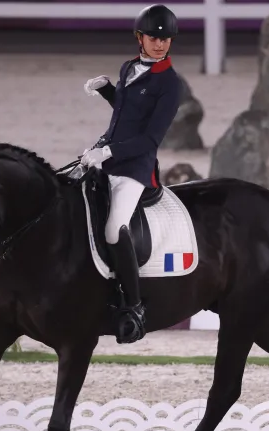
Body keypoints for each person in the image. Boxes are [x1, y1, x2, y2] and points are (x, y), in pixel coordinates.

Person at [80, 4, 182, 344]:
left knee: (114, 228)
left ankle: (134, 306)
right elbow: (127, 113)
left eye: (165, 39)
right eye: (153, 37)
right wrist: (108, 90)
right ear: (140, 37)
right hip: (108, 157)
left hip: (136, 168)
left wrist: (109, 152)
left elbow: (150, 137)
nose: (160, 44)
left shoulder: (170, 84)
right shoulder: (128, 68)